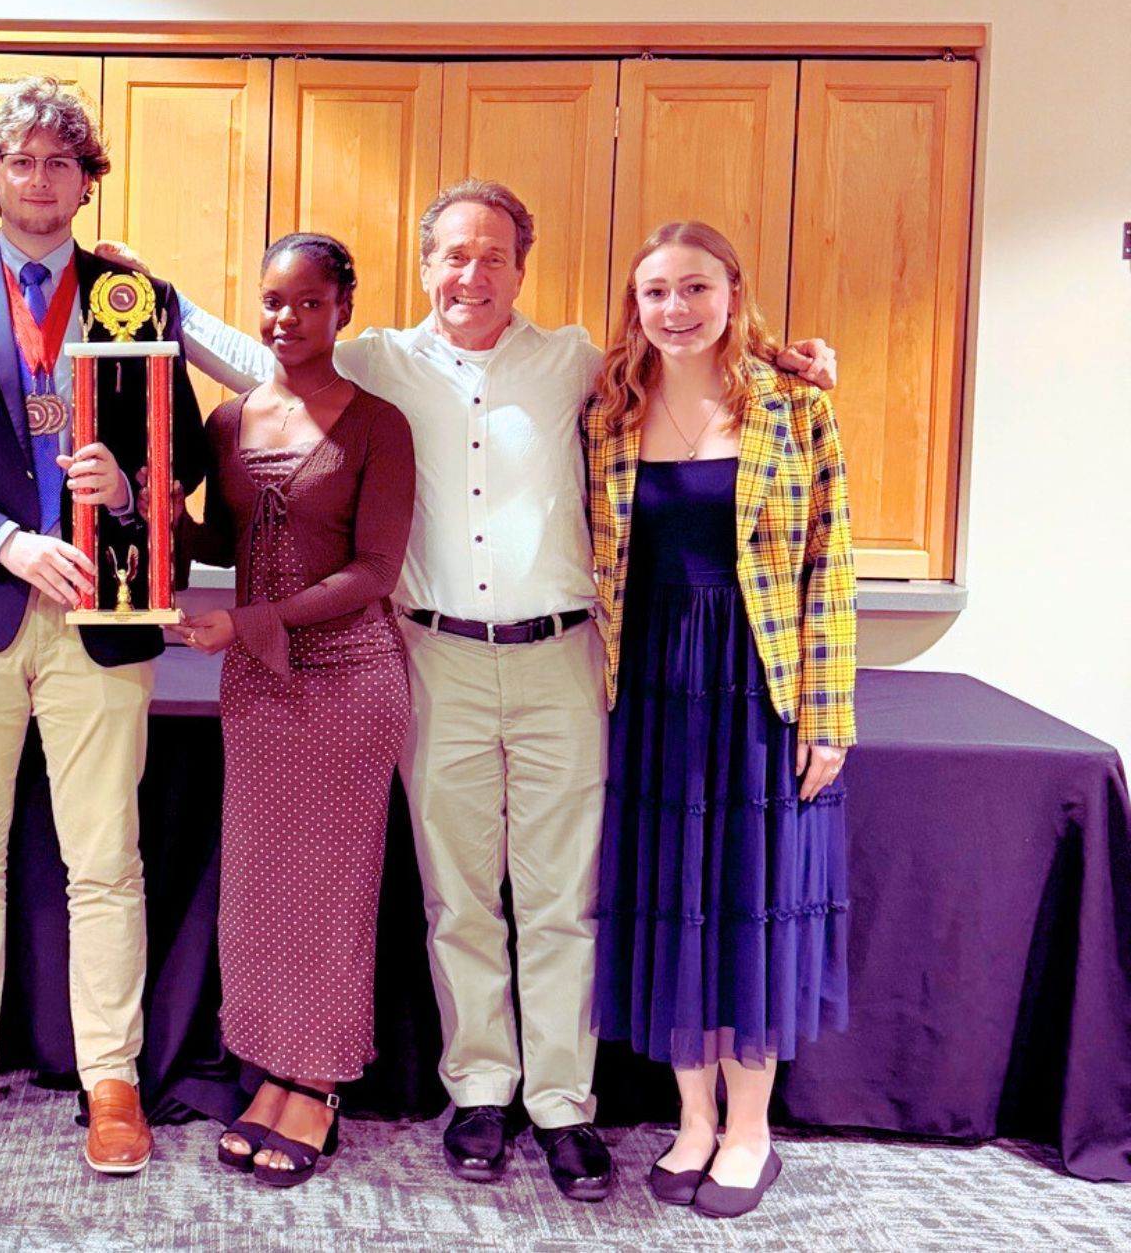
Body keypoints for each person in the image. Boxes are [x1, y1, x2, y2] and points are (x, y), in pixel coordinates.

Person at [116, 177, 834, 1202]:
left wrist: (788, 359)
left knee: (559, 899)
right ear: (424, 267)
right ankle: (481, 1092)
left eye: (493, 254)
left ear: (520, 268)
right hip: (434, 657)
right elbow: (255, 350)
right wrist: (155, 299)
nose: (471, 273)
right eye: (454, 254)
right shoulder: (376, 363)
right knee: (456, 895)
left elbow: (686, 352)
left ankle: (562, 1104)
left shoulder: (575, 360)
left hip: (561, 657)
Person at [0, 76, 209, 1175]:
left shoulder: (136, 294)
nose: (41, 180)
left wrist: (133, 482)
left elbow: (187, 448)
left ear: (86, 178)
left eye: (62, 162)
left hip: (102, 612)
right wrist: (7, 542)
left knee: (105, 857)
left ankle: (111, 1075)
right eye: (21, 161)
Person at [584, 220, 853, 1218]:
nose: (675, 308)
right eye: (655, 291)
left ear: (733, 292)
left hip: (758, 684)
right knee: (670, 895)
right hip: (650, 689)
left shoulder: (796, 404)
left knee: (748, 895)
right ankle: (691, 1118)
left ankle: (750, 1130)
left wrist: (827, 716)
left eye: (695, 287)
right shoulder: (607, 408)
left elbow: (830, 565)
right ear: (635, 305)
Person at [166, 234, 413, 1189]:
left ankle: (320, 1079)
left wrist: (250, 620)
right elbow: (217, 544)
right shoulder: (230, 421)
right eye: (274, 301)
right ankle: (272, 1066)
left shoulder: (379, 424)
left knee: (333, 888)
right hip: (258, 682)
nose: (287, 318)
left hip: (350, 677)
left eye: (310, 302)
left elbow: (375, 571)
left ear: (343, 308)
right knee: (262, 886)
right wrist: (157, 512)